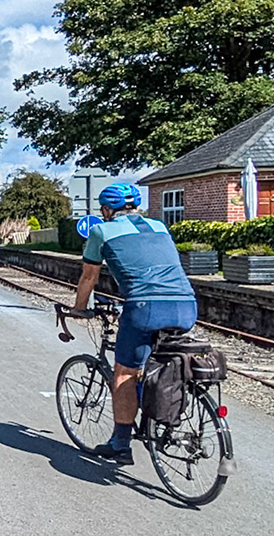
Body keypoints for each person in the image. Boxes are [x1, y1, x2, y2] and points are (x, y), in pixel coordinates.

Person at [69, 183, 197, 465]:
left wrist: (79, 309)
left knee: (126, 371)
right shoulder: (160, 227)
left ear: (105, 209)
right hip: (186, 305)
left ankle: (121, 443)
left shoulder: (101, 231)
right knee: (163, 360)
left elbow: (89, 277)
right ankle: (164, 413)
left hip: (144, 307)